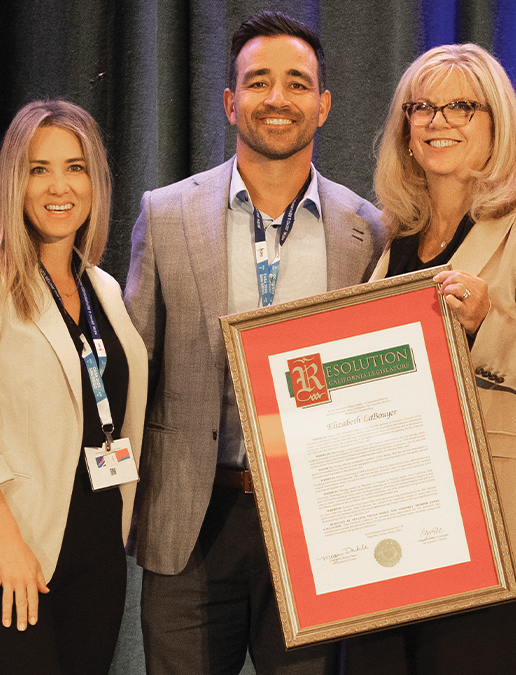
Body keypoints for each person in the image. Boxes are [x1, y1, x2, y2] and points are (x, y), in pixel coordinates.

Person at [123, 11, 387, 675]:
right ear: (229, 101)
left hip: (318, 525)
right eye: (258, 81)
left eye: (297, 83)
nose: (277, 98)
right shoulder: (166, 214)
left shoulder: (369, 231)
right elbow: (133, 371)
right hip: (192, 519)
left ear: (323, 105)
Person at [341, 43, 516, 675]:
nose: (438, 121)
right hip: (386, 528)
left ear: (496, 125)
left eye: (461, 106)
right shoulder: (391, 239)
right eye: (422, 107)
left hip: (491, 533)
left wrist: (489, 325)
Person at [0, 99, 148, 675]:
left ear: (95, 182)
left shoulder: (103, 289)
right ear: (13, 183)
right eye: (38, 169)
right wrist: (7, 540)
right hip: (8, 550)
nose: (58, 186)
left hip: (96, 549)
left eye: (75, 168)